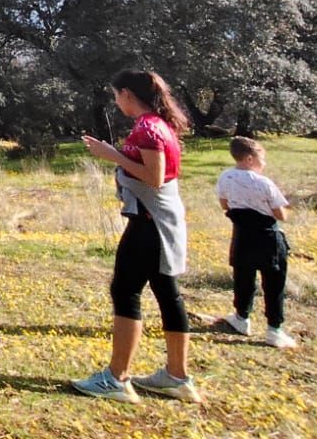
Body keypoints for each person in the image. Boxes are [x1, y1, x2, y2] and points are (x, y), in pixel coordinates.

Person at [73, 69, 200, 404]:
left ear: (127, 94)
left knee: (126, 290)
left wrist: (110, 155)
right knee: (166, 293)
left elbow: (154, 177)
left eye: (116, 95)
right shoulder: (160, 124)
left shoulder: (148, 127)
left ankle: (116, 379)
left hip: (150, 224)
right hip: (159, 221)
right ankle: (176, 376)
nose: (116, 102)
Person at [216, 136, 296, 348]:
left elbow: (224, 204)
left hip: (242, 234)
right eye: (262, 158)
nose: (264, 163)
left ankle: (241, 317)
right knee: (273, 283)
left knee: (243, 278)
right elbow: (281, 214)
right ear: (250, 158)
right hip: (267, 237)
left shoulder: (225, 177)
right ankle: (274, 329)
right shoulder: (263, 182)